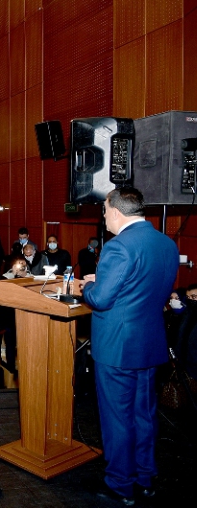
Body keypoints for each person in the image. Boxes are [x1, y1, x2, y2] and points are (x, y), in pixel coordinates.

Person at [79, 187, 178, 505]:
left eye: (105, 210)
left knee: (117, 417)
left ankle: (121, 485)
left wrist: (90, 283)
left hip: (118, 346)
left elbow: (100, 299)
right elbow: (145, 289)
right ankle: (145, 477)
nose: (104, 215)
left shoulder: (118, 247)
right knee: (143, 415)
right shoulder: (166, 243)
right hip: (149, 344)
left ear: (117, 211)